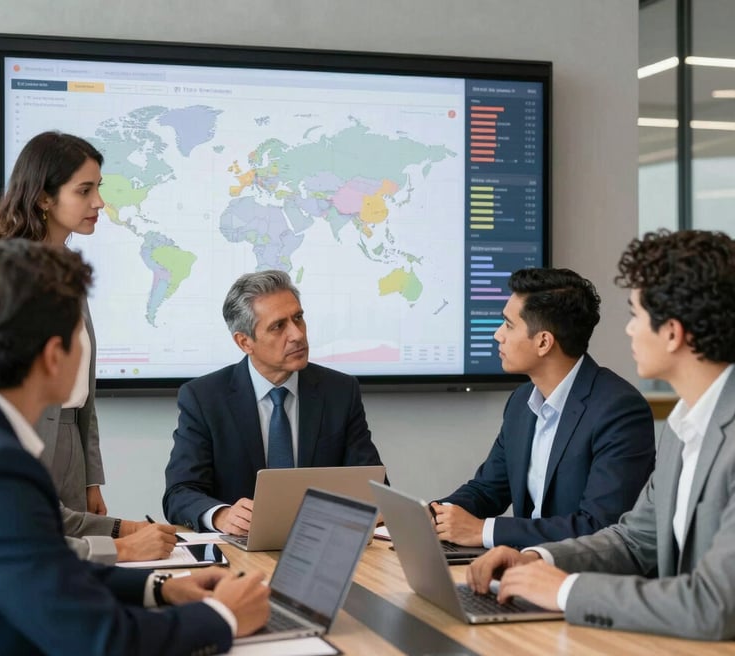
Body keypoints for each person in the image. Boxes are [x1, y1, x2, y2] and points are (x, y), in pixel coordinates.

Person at [0, 239, 269, 654]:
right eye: (82, 338)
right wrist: (225, 617)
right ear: (55, 357)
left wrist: (161, 587)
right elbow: (100, 641)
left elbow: (50, 570)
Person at [467, 230, 735, 640]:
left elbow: (714, 605)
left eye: (636, 315)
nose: (628, 331)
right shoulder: (685, 424)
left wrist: (566, 590)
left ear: (672, 332)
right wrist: (538, 559)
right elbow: (633, 540)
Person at [0, 130, 174, 564]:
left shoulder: (65, 274)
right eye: (84, 190)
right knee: (40, 552)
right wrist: (121, 541)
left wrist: (92, 479)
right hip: (32, 435)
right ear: (43, 199)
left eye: (99, 189)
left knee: (78, 566)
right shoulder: (9, 280)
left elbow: (84, 393)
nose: (99, 203)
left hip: (70, 437)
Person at [432, 268, 655, 549]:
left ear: (543, 342)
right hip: (521, 568)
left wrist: (484, 531)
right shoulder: (521, 401)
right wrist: (434, 514)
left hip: (579, 578)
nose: (498, 335)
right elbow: (489, 489)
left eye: (508, 325)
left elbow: (600, 526)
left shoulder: (619, 410)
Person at [163, 269, 385, 533]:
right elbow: (180, 492)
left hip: (321, 540)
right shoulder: (204, 398)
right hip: (240, 551)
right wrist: (222, 515)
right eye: (279, 326)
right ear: (245, 342)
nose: (297, 335)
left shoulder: (339, 391)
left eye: (298, 318)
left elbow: (372, 485)